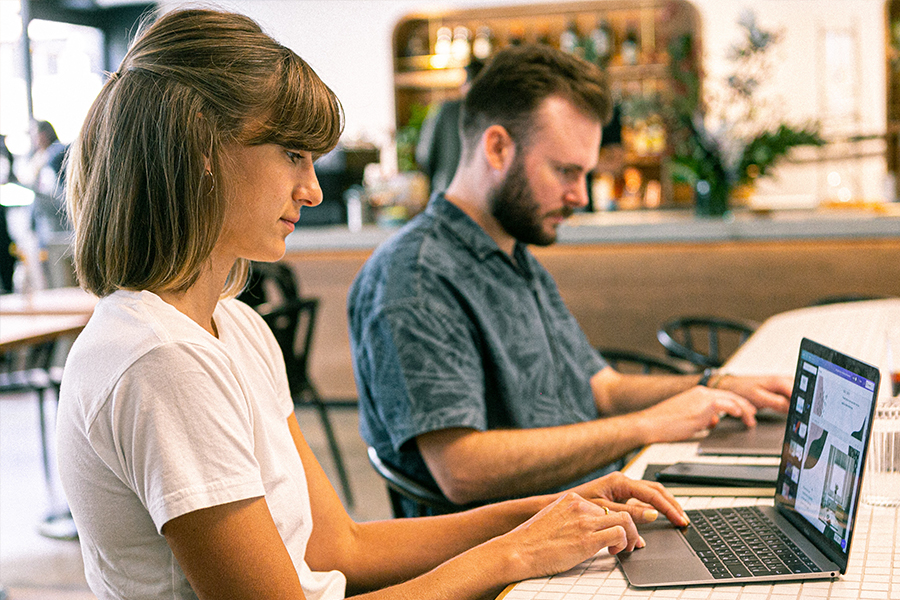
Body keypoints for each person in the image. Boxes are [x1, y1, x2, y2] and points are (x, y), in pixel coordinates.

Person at [57, 10, 689, 600]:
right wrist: (515, 554)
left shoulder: (235, 326)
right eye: (292, 155)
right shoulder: (160, 360)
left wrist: (553, 508)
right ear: (202, 154)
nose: (310, 189)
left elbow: (341, 546)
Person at [348, 44, 793, 517]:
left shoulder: (513, 253)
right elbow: (462, 470)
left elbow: (601, 388)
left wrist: (714, 385)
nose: (580, 195)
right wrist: (645, 426)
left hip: (589, 509)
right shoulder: (415, 277)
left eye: (585, 173)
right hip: (510, 557)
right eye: (565, 171)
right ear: (497, 147)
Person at [415, 59, 484, 196]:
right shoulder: (494, 113)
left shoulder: (445, 110)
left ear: (464, 85)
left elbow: (424, 154)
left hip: (447, 193)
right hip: (481, 198)